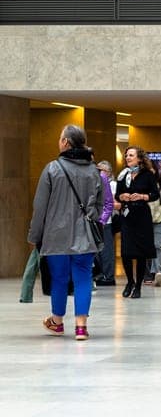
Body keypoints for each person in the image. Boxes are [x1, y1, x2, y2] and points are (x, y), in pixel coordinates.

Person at [27, 125, 104, 340]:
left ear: (66, 143)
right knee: (83, 278)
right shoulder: (94, 171)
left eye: (60, 138)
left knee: (59, 278)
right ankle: (81, 327)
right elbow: (101, 204)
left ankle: (57, 322)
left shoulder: (52, 169)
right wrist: (91, 216)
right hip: (85, 236)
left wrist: (34, 236)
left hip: (55, 236)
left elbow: (40, 207)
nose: (59, 141)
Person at [115, 146, 160, 299]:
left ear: (139, 158)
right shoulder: (122, 175)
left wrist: (141, 196)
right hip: (127, 216)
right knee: (126, 252)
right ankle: (130, 282)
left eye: (131, 155)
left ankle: (139, 286)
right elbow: (117, 195)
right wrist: (123, 197)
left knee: (140, 253)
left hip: (142, 215)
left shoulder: (147, 175)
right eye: (126, 155)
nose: (128, 157)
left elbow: (155, 194)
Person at [94, 160, 118, 286]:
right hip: (97, 220)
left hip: (106, 221)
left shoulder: (112, 184)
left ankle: (108, 276)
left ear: (108, 172)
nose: (99, 172)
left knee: (106, 250)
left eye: (102, 170)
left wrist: (103, 219)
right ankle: (100, 274)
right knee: (98, 250)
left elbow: (112, 203)